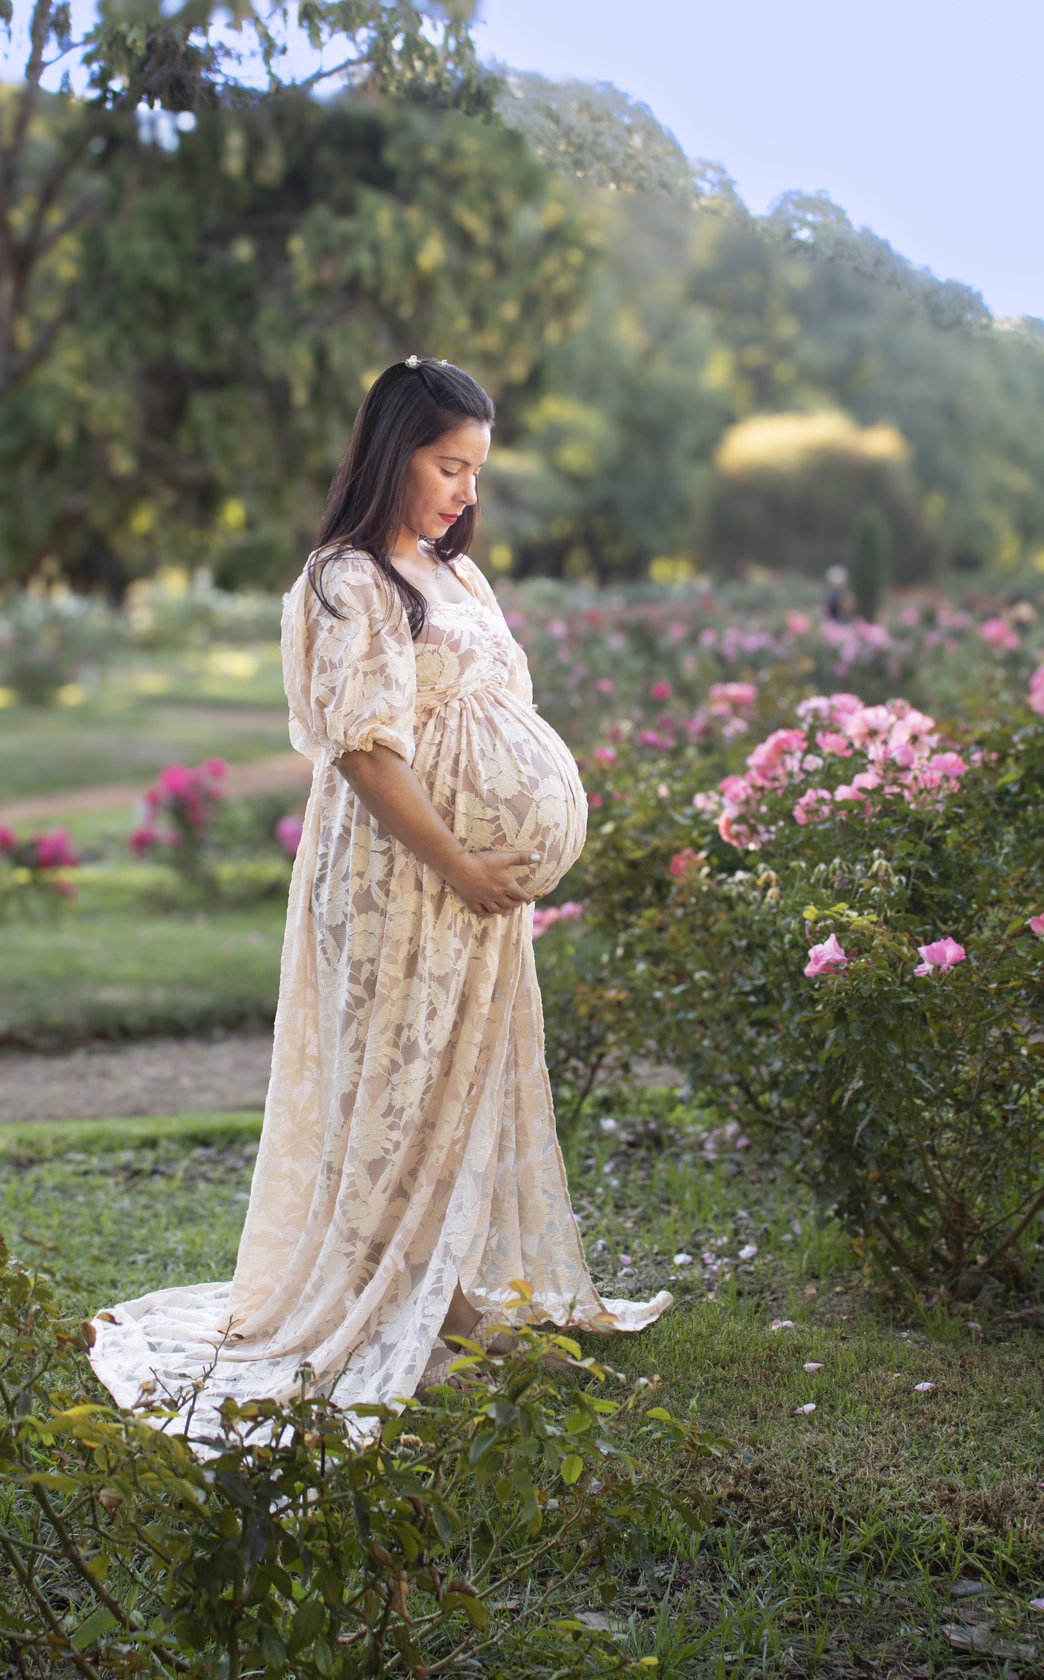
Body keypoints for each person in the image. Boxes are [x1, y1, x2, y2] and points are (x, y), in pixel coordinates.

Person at [87, 358, 672, 1437]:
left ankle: (450, 1297)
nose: (465, 492)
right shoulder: (346, 580)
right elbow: (363, 754)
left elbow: (491, 715)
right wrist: (460, 860)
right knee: (394, 1085)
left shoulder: (460, 579)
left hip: (476, 890)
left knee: (467, 1077)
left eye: (477, 471)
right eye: (448, 465)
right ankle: (407, 1303)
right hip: (399, 879)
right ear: (391, 450)